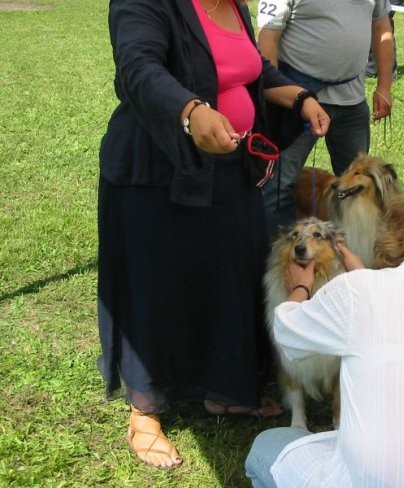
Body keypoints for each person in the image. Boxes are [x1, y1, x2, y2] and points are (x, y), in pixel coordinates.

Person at [98, 0, 330, 469]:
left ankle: (223, 389)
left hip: (227, 172)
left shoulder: (235, 8)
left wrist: (300, 97)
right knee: (156, 288)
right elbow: (138, 69)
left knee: (230, 277)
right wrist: (189, 112)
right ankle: (144, 411)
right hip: (157, 174)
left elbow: (254, 71)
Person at [245, 184, 404, 487]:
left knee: (269, 444)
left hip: (375, 480)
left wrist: (300, 287)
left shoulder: (361, 290)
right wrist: (363, 277)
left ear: (401, 227)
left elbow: (287, 331)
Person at [257, 0, 394, 234]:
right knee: (278, 188)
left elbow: (382, 27)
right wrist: (278, 93)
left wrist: (384, 85)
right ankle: (274, 260)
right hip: (295, 102)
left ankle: (349, 260)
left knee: (360, 189)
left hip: (351, 101)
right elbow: (268, 37)